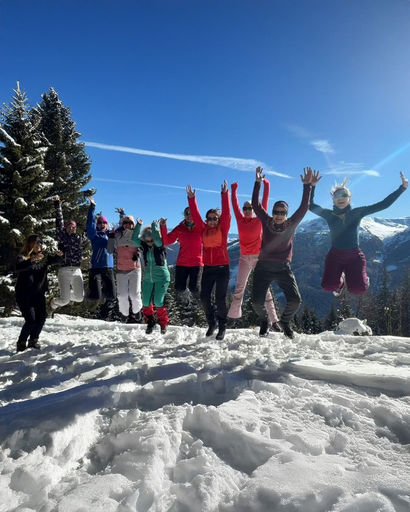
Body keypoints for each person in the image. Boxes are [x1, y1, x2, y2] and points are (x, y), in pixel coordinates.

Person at [309, 172, 408, 295]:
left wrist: (402, 188)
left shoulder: (357, 213)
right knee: (329, 286)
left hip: (354, 255)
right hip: (335, 255)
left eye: (344, 194)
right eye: (336, 195)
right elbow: (311, 206)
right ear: (333, 200)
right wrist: (311, 186)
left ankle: (364, 279)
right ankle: (341, 280)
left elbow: (383, 204)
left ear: (349, 198)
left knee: (359, 289)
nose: (340, 197)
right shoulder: (329, 215)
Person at [252, 167, 315, 339]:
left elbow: (304, 207)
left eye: (282, 212)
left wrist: (307, 186)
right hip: (263, 267)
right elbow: (256, 205)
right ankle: (265, 321)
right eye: (276, 212)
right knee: (256, 302)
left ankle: (285, 322)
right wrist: (257, 183)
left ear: (286, 214)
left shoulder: (292, 223)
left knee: (295, 300)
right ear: (272, 212)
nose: (278, 215)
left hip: (283, 268)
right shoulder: (266, 221)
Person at [228, 178, 280, 330]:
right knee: (239, 288)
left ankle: (274, 321)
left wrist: (265, 183)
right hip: (244, 258)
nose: (247, 210)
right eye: (245, 208)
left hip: (258, 258)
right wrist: (234, 190)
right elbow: (234, 204)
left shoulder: (259, 220)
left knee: (265, 289)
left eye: (249, 208)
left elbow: (263, 202)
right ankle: (233, 316)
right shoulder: (239, 219)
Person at [187, 181, 231, 341]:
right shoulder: (202, 229)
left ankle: (223, 326)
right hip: (208, 269)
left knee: (220, 298)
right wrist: (191, 199)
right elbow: (196, 215)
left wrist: (225, 195)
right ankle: (211, 323)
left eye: (215, 218)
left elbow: (227, 213)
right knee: (204, 297)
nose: (212, 220)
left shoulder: (223, 228)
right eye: (209, 218)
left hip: (222, 268)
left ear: (218, 219)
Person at [15, 235, 63, 352]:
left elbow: (55, 260)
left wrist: (59, 255)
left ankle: (33, 340)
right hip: (24, 294)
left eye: (40, 243)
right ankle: (21, 342)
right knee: (31, 320)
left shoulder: (44, 257)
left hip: (38, 294)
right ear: (30, 245)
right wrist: (32, 260)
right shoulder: (22, 257)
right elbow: (18, 267)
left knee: (41, 318)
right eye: (36, 243)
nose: (39, 246)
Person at [159, 206, 203, 313]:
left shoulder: (202, 227)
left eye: (191, 213)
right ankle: (188, 300)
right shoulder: (180, 228)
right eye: (187, 213)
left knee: (195, 288)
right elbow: (166, 241)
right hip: (182, 263)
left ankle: (200, 304)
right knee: (179, 288)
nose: (189, 216)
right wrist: (163, 226)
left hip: (197, 263)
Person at [132, 220, 170, 334]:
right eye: (147, 240)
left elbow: (158, 240)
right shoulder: (144, 246)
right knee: (145, 302)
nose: (149, 242)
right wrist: (138, 225)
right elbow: (134, 240)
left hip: (162, 276)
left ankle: (163, 323)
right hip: (148, 277)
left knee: (158, 301)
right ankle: (150, 322)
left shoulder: (160, 245)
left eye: (151, 239)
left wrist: (154, 226)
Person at [50, 195, 87, 312]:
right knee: (64, 301)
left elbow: (90, 229)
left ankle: (66, 295)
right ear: (66, 228)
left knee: (80, 298)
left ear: (76, 228)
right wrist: (58, 206)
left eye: (73, 227)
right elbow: (59, 221)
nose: (71, 229)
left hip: (76, 270)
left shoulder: (80, 238)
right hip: (64, 270)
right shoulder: (62, 236)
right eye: (69, 227)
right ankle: (53, 303)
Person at [107, 211, 142, 323]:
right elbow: (110, 250)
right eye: (125, 222)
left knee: (134, 293)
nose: (127, 224)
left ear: (133, 224)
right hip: (121, 269)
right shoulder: (117, 236)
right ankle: (124, 313)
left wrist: (138, 254)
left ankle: (137, 311)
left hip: (135, 269)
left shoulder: (137, 236)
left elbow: (143, 248)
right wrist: (111, 237)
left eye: (130, 222)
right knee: (122, 295)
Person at [86, 196, 116, 318]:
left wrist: (121, 214)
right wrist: (92, 207)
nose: (102, 224)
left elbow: (125, 229)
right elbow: (90, 223)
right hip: (96, 267)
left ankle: (104, 315)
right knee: (95, 295)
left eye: (104, 222)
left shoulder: (112, 235)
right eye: (100, 222)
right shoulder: (94, 235)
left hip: (108, 267)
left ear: (107, 224)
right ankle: (93, 313)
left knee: (111, 294)